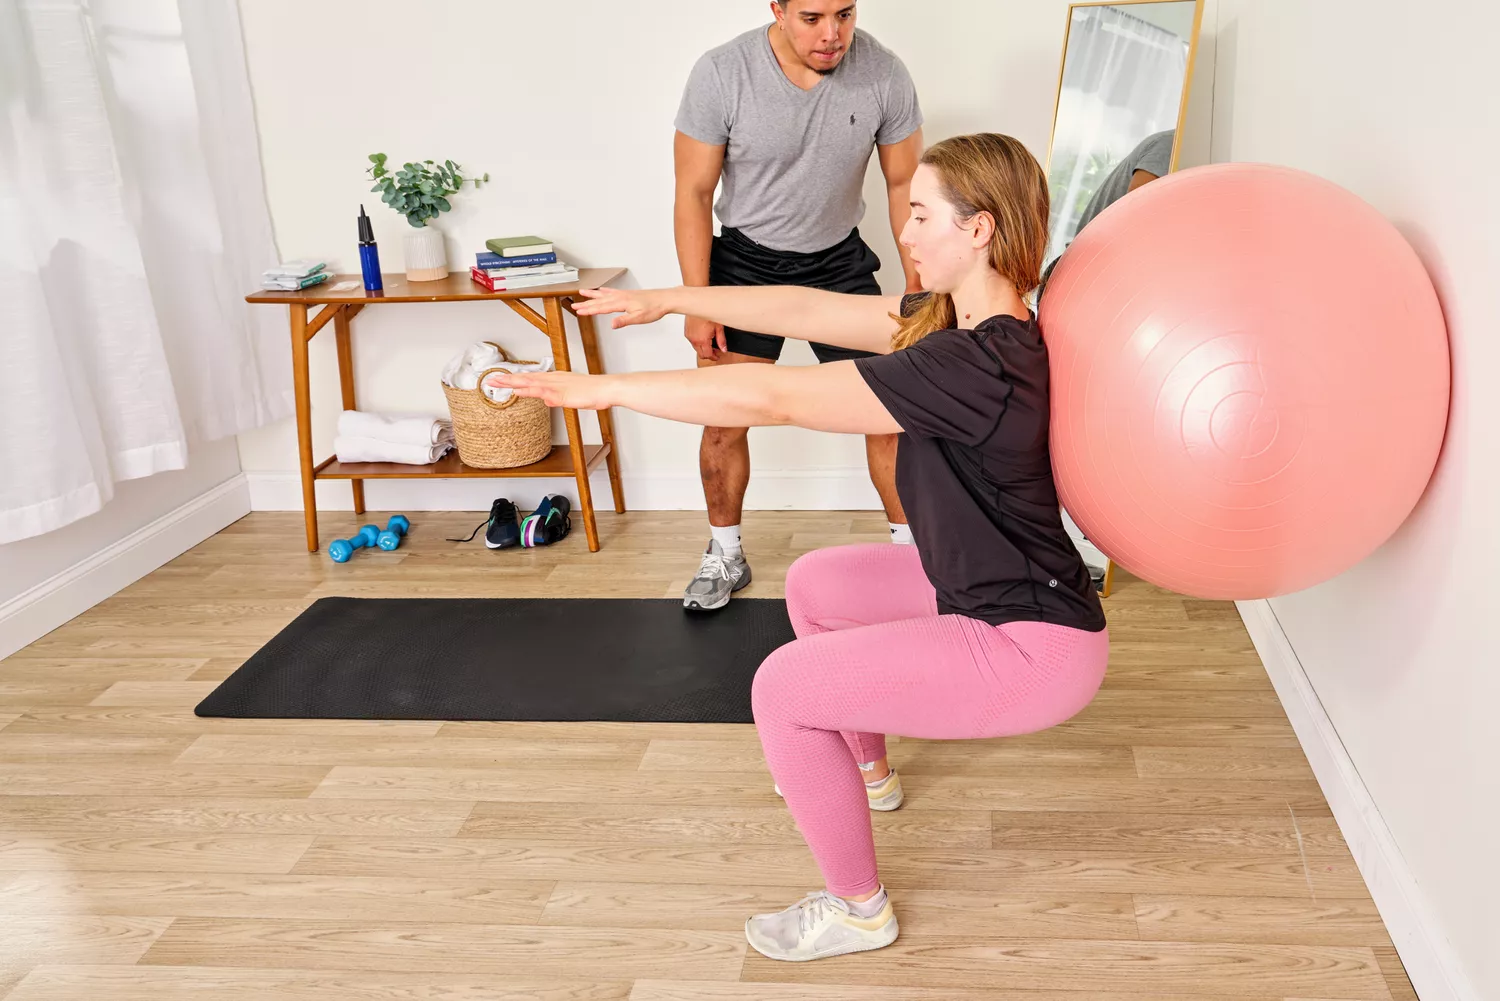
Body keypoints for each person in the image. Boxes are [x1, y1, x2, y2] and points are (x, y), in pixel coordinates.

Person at [487, 133, 1109, 963]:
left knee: (781, 688)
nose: (906, 232)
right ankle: (868, 773)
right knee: (818, 583)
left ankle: (858, 908)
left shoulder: (977, 364)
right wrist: (670, 299)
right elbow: (806, 310)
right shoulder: (949, 320)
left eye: (922, 215)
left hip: (1032, 645)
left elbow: (775, 396)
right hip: (991, 589)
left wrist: (600, 390)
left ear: (980, 229)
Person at [672, 0, 925, 611]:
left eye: (845, 13)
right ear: (778, 10)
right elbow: (693, 193)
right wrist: (697, 302)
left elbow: (904, 187)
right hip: (744, 264)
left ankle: (912, 557)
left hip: (838, 262)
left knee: (890, 413)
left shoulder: (884, 73)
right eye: (812, 17)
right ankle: (725, 554)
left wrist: (919, 292)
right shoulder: (723, 72)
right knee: (724, 415)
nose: (833, 33)